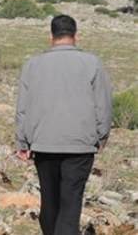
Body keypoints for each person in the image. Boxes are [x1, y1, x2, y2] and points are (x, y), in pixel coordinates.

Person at [15, 15, 112, 235]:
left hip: (43, 143)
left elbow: (23, 107)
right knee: (71, 201)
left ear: (51, 36)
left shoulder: (33, 64)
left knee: (49, 200)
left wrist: (22, 141)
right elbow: (103, 105)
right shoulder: (92, 63)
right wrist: (101, 137)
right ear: (76, 36)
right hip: (80, 144)